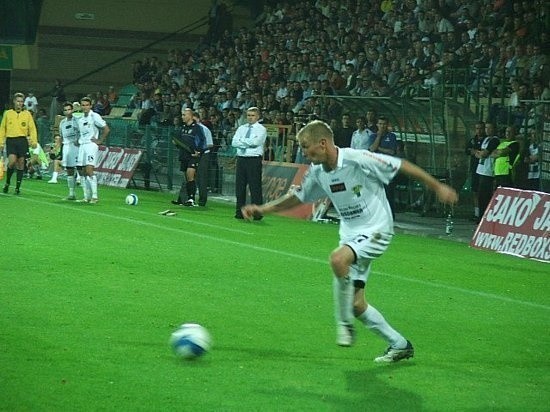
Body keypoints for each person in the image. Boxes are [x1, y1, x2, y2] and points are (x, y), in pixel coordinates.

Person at [241, 120, 458, 362]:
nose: (304, 152)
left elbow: (401, 165)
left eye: (306, 146)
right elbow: (298, 198)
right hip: (351, 234)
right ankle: (399, 344)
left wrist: (438, 187)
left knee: (337, 259)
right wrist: (264, 209)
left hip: (377, 228)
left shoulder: (356, 159)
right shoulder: (318, 172)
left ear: (322, 144)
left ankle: (343, 324)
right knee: (357, 304)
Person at [231, 106, 267, 219]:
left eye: (252, 115)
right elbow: (234, 142)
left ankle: (257, 213)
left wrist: (242, 141)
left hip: (253, 159)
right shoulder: (241, 128)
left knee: (255, 187)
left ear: (258, 117)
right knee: (240, 187)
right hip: (241, 159)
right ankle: (239, 212)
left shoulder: (261, 129)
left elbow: (256, 142)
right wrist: (247, 143)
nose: (250, 118)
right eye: (248, 115)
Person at [0, 92, 38, 195]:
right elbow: (3, 128)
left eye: (21, 101)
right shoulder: (7, 113)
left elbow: (32, 128)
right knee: (12, 162)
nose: (19, 103)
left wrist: (34, 141)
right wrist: (1, 142)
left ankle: (17, 187)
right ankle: (7, 182)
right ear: (14, 102)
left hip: (22, 140)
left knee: (21, 163)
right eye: (18, 101)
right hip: (11, 140)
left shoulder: (27, 114)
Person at [76, 96, 110, 203]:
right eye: (83, 105)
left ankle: (95, 196)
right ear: (81, 106)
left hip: (91, 145)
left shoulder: (94, 116)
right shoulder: (80, 119)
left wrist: (100, 140)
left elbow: (106, 129)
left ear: (90, 106)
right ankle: (86, 197)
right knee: (81, 171)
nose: (85, 107)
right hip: (82, 146)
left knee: (89, 169)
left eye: (87, 105)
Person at [171, 108, 206, 207]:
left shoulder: (197, 128)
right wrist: (175, 143)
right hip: (184, 155)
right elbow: (177, 141)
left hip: (193, 156)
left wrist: (198, 151)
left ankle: (191, 198)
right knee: (186, 178)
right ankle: (186, 198)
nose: (182, 117)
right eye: (182, 115)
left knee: (190, 174)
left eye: (184, 115)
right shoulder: (182, 128)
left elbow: (202, 141)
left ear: (190, 116)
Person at [369, 116, 400, 218]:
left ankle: (390, 215)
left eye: (384, 124)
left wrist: (379, 148)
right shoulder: (373, 136)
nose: (382, 126)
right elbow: (372, 149)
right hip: (376, 168)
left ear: (387, 125)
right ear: (377, 125)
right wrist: (378, 137)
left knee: (388, 192)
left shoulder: (392, 136)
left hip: (387, 168)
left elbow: (391, 151)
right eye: (380, 124)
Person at [474, 122, 500, 221]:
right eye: (486, 128)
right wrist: (480, 153)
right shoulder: (485, 139)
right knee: (480, 195)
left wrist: (481, 153)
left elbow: (484, 154)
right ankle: (480, 216)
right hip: (480, 170)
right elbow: (477, 153)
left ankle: (484, 218)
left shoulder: (494, 140)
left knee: (485, 196)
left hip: (488, 172)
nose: (487, 130)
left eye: (489, 128)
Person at [58, 102, 81, 199]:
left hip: (76, 146)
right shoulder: (62, 123)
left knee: (81, 169)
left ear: (72, 110)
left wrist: (78, 140)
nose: (68, 112)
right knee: (69, 170)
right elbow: (61, 136)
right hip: (67, 147)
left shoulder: (77, 121)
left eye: (69, 109)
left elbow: (81, 132)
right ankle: (71, 193)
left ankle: (87, 195)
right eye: (66, 110)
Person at [465, 122, 485, 220]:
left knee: (482, 192)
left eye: (481, 128)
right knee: (475, 191)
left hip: (484, 170)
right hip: (474, 169)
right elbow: (467, 150)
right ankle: (477, 213)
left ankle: (483, 213)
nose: (479, 131)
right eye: (477, 128)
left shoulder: (487, 140)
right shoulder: (473, 140)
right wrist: (474, 152)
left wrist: (477, 152)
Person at [194, 110, 214, 206]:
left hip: (203, 155)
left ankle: (202, 200)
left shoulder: (204, 129)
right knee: (189, 176)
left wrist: (200, 150)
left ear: (198, 119)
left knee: (202, 177)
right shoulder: (190, 129)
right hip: (192, 154)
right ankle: (188, 198)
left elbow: (210, 144)